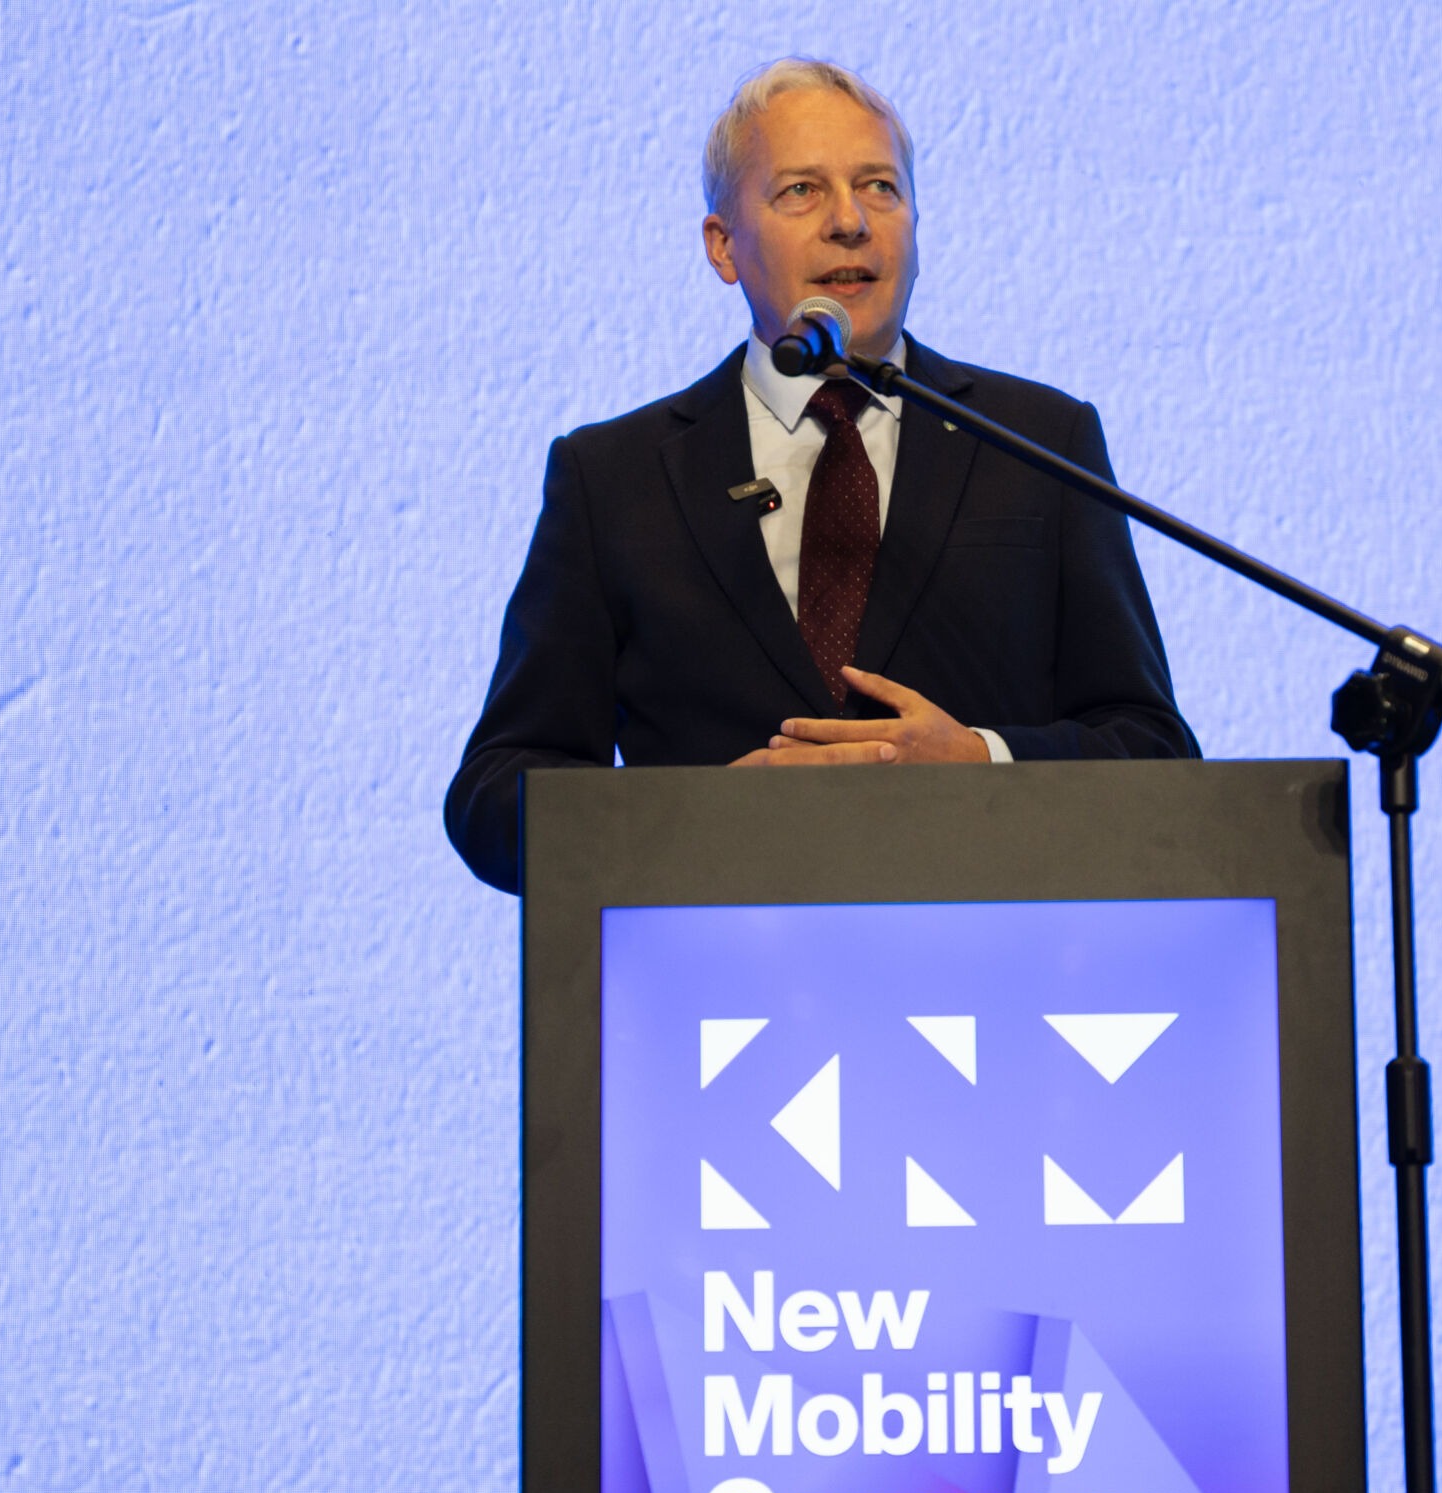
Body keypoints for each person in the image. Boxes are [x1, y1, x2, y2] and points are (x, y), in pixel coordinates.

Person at [444, 58, 1198, 894]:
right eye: (801, 190)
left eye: (880, 187)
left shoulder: (1040, 443)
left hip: (984, 954)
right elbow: (491, 798)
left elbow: (1154, 752)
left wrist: (983, 761)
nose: (850, 221)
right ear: (723, 246)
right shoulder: (614, 478)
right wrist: (694, 817)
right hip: (717, 962)